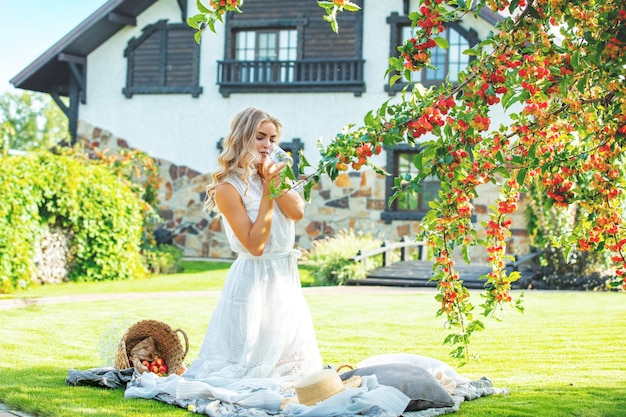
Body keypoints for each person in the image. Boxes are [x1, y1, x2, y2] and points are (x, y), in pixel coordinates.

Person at [184, 107, 324, 380]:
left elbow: (297, 212)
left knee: (288, 365)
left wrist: (273, 180)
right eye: (260, 137)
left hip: (284, 274)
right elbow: (255, 245)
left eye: (272, 139)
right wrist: (269, 192)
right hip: (253, 277)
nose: (268, 145)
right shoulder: (228, 188)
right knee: (248, 368)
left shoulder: (271, 174)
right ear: (243, 138)